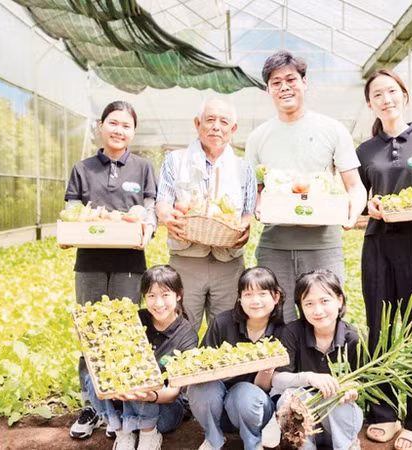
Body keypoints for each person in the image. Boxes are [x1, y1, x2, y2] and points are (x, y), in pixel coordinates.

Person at [356, 69, 412, 450]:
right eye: (378, 94)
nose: (386, 98)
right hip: (377, 244)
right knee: (380, 326)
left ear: (403, 95)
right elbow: (355, 200)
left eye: (392, 91)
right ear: (370, 103)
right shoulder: (363, 151)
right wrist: (367, 205)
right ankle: (384, 414)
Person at [245, 50, 367, 323]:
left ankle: (326, 367)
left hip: (323, 244)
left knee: (324, 318)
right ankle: (283, 368)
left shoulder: (332, 129)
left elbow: (355, 186)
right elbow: (256, 190)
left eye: (291, 79)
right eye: (276, 82)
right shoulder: (258, 137)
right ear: (268, 90)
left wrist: (352, 213)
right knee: (277, 319)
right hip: (275, 245)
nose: (284, 87)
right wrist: (258, 206)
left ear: (304, 82)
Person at [64, 100, 157, 439]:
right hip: (89, 262)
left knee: (126, 333)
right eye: (113, 123)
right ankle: (92, 405)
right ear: (101, 126)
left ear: (133, 131)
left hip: (130, 263)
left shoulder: (143, 167)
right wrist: (70, 226)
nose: (119, 130)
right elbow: (72, 207)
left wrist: (147, 225)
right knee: (91, 333)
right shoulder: (83, 168)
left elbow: (149, 208)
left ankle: (121, 406)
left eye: (126, 125)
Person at [156, 97, 256, 334]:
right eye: (209, 120)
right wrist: (167, 217)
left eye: (224, 122)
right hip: (186, 259)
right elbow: (162, 203)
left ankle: (224, 373)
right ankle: (180, 371)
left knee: (227, 331)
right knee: (180, 328)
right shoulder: (175, 160)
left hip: (228, 262)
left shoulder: (243, 168)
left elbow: (247, 214)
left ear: (233, 129)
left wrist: (244, 229)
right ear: (197, 123)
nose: (216, 126)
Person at [82, 265, 198, 450]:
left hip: (164, 409)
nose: (158, 303)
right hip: (127, 399)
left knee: (141, 378)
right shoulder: (135, 319)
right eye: (151, 296)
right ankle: (121, 431)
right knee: (92, 378)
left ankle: (149, 435)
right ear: (144, 297)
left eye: (165, 294)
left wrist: (149, 395)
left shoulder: (187, 334)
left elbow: (173, 393)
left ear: (179, 294)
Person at [188, 267, 286, 450]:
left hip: (255, 410)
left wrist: (267, 370)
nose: (255, 301)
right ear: (239, 298)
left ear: (276, 297)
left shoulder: (283, 332)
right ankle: (214, 438)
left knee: (244, 394)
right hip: (218, 410)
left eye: (262, 293)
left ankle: (253, 443)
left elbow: (269, 388)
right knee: (199, 388)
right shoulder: (222, 322)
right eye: (248, 294)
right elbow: (202, 366)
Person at [271, 269, 363, 450]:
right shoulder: (293, 332)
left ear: (340, 300)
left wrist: (351, 390)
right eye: (309, 303)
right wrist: (309, 377)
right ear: (301, 307)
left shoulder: (353, 338)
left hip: (338, 427)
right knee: (290, 397)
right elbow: (277, 378)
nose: (318, 310)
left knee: (338, 400)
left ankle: (348, 447)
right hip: (303, 430)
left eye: (325, 301)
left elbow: (359, 382)